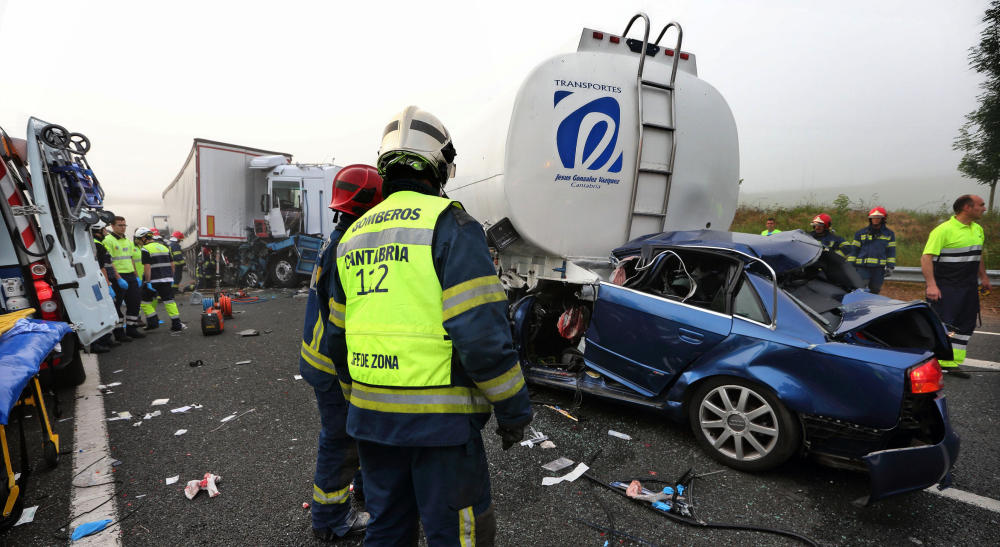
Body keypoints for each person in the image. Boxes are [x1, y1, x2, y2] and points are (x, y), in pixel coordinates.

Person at [328, 106, 532, 545]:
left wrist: (359, 403)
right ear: (439, 165)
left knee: (386, 525)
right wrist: (514, 410)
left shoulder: (353, 236)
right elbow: (482, 338)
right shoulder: (451, 226)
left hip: (372, 422)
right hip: (440, 427)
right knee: (458, 534)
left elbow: (336, 339)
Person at [300, 164, 384, 541]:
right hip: (332, 364)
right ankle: (331, 520)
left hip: (321, 358)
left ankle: (364, 496)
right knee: (340, 441)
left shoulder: (336, 238)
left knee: (356, 435)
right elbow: (340, 327)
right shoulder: (347, 247)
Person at [921, 194, 992, 378]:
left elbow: (978, 255)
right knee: (944, 325)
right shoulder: (943, 230)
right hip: (946, 287)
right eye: (981, 205)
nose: (984, 208)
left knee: (965, 325)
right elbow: (926, 257)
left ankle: (951, 363)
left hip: (968, 287)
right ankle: (931, 361)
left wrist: (983, 277)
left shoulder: (977, 229)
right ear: (967, 208)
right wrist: (931, 285)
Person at [102, 216, 145, 339]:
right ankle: (119, 333)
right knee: (117, 306)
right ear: (112, 226)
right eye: (120, 225)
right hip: (118, 277)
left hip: (131, 275)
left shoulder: (128, 241)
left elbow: (131, 259)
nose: (123, 227)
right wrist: (118, 277)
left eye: (124, 225)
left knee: (135, 303)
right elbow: (109, 262)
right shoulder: (108, 240)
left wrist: (136, 276)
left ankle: (132, 329)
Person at [135, 227, 184, 332]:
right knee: (169, 301)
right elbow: (173, 265)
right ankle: (176, 324)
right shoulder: (164, 247)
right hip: (166, 279)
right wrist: (171, 278)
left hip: (153, 280)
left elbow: (147, 267)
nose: (138, 242)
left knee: (144, 301)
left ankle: (153, 322)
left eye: (139, 239)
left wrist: (147, 282)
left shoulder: (145, 249)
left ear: (144, 238)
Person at [844, 207, 895, 294]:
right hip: (862, 267)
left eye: (878, 218)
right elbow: (854, 250)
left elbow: (891, 251)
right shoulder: (860, 233)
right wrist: (850, 265)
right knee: (860, 289)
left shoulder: (889, 234)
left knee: (875, 290)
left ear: (883, 219)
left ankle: (872, 307)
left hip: (878, 269)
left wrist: (890, 266)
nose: (875, 220)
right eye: (873, 218)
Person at [89, 225, 120, 353]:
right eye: (104, 230)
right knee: (102, 310)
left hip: (96, 281)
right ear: (98, 231)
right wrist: (108, 285)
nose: (106, 232)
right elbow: (102, 268)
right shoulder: (98, 245)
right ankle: (100, 341)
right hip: (99, 282)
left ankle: (106, 339)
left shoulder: (93, 244)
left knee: (103, 310)